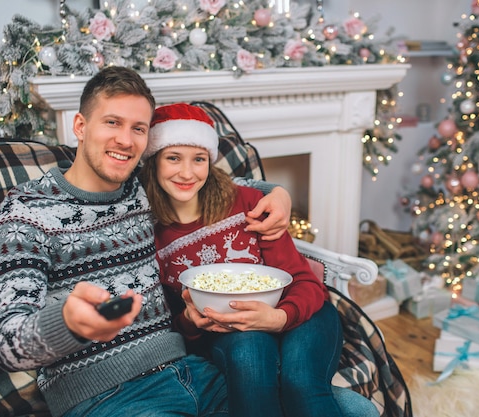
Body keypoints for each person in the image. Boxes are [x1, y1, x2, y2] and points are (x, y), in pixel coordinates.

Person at [0, 66, 293, 417]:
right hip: (106, 397)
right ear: (81, 127)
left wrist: (277, 194)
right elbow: (2, 341)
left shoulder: (141, 189)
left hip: (195, 374)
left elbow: (213, 182)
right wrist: (66, 324)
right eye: (112, 123)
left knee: (347, 408)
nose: (126, 141)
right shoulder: (26, 212)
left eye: (138, 129)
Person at [139, 103, 365, 417]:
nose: (187, 173)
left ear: (210, 161)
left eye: (199, 159)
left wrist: (281, 317)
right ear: (153, 161)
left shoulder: (249, 205)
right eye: (173, 158)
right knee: (250, 355)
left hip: (303, 312)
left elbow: (303, 280)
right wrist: (191, 322)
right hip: (229, 333)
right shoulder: (148, 236)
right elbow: (171, 325)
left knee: (300, 382)